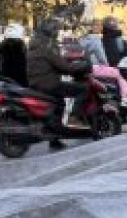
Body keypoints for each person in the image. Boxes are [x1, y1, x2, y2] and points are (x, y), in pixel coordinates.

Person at [25, 19, 90, 149]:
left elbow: (53, 64)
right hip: (48, 84)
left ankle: (54, 137)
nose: (57, 32)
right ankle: (74, 118)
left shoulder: (34, 45)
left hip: (35, 83)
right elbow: (64, 67)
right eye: (56, 30)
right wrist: (81, 66)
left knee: (59, 103)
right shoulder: (48, 47)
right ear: (51, 32)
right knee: (83, 89)